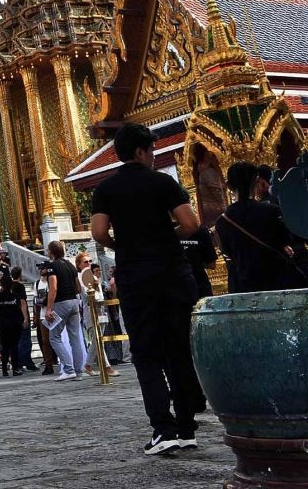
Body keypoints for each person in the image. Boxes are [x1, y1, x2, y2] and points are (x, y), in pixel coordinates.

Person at [90, 123, 208, 455]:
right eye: (152, 150)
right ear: (141, 152)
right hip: (172, 272)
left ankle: (163, 428)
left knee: (146, 353)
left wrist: (122, 244)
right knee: (178, 349)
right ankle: (186, 427)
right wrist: (165, 236)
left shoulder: (106, 188)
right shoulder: (163, 182)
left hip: (135, 276)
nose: (154, 156)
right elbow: (191, 224)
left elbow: (98, 232)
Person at [217, 161, 308, 293]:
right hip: (277, 279)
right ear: (256, 181)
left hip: (245, 285)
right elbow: (285, 239)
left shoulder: (222, 222)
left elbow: (229, 252)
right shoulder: (271, 211)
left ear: (229, 186)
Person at [43, 241, 86, 382]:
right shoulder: (70, 265)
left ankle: (68, 369)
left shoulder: (52, 266)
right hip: (74, 302)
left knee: (54, 337)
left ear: (51, 252)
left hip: (61, 302)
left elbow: (53, 288)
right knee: (75, 338)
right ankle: (79, 371)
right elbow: (78, 287)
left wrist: (49, 309)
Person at [0, 272, 26, 377]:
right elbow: (19, 309)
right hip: (15, 323)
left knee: (5, 347)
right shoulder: (15, 296)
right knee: (14, 346)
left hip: (4, 323)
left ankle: (5, 370)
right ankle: (15, 369)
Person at [31, 263, 58, 375]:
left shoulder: (52, 281)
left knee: (57, 339)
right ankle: (48, 364)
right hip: (43, 314)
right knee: (45, 341)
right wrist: (35, 316)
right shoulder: (37, 283)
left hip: (55, 313)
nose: (40, 270)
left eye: (42, 268)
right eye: (39, 269)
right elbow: (35, 300)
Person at [10, 266, 38, 372]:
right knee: (25, 341)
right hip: (21, 315)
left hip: (13, 316)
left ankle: (20, 363)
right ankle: (25, 362)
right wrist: (26, 318)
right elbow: (23, 302)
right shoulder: (20, 286)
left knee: (17, 341)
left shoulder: (9, 286)